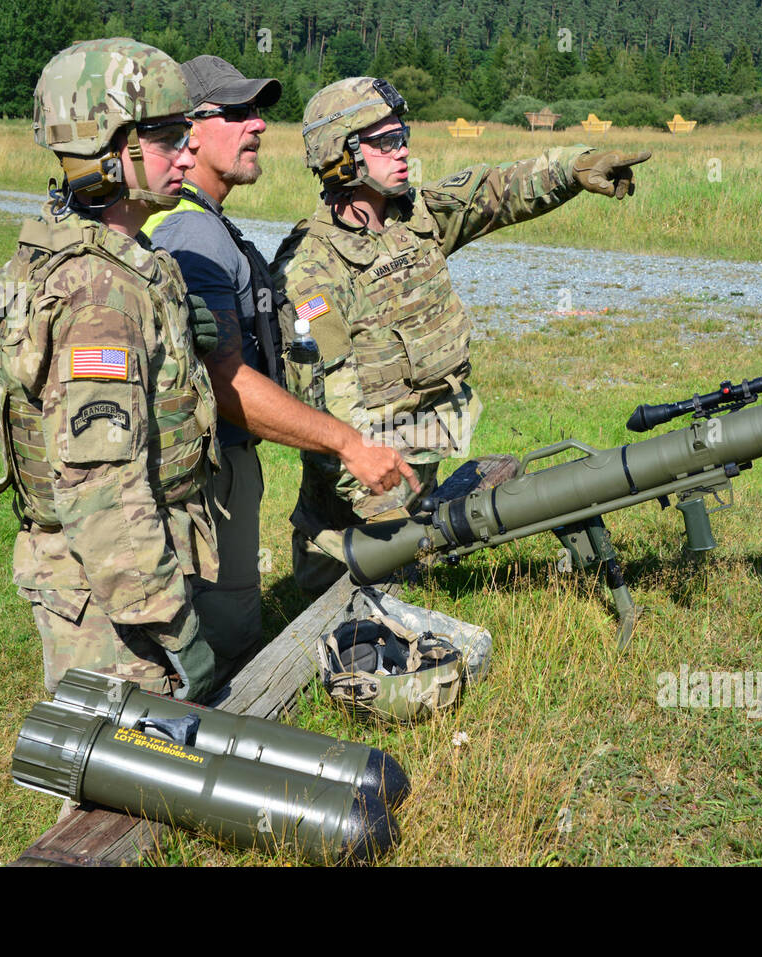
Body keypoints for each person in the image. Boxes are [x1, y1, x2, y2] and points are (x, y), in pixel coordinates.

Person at [271, 76, 651, 593]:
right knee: (336, 618)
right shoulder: (311, 269)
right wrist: (383, 512)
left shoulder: (416, 218)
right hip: (356, 505)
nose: (402, 150)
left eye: (402, 134)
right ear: (342, 157)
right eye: (384, 141)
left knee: (408, 589)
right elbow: (327, 406)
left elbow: (496, 190)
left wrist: (574, 168)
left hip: (419, 462)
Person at [142, 56, 416, 653]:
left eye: (259, 111)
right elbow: (226, 384)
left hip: (225, 464)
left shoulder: (205, 223)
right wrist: (348, 443)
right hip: (212, 471)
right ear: (189, 127)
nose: (258, 124)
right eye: (238, 112)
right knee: (226, 642)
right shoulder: (194, 235)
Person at [0, 38, 228, 701]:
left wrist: (175, 342)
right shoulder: (99, 293)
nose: (189, 152)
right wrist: (174, 627)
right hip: (115, 602)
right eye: (168, 137)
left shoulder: (108, 256)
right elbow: (101, 490)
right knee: (123, 788)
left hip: (120, 580)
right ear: (107, 154)